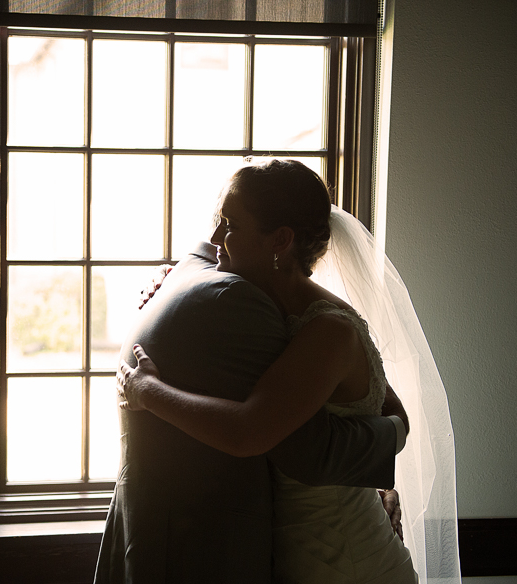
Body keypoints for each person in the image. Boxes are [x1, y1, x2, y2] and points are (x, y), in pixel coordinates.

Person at [116, 160, 460, 583]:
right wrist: (174, 279)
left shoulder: (327, 330)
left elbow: (248, 432)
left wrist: (147, 390)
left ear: (280, 240)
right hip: (291, 551)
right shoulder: (273, 311)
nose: (215, 239)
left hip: (340, 558)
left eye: (231, 226)